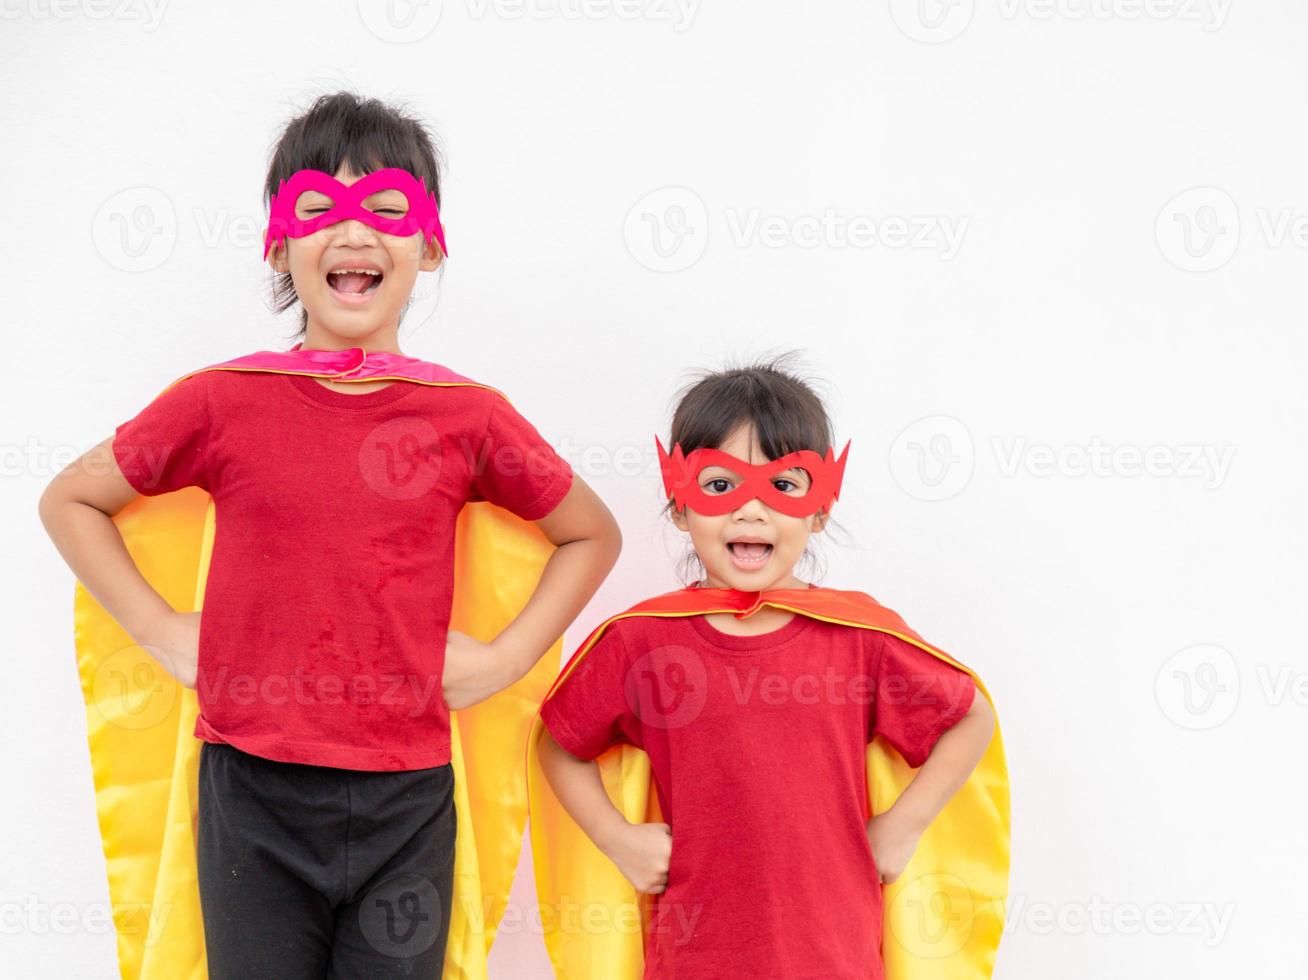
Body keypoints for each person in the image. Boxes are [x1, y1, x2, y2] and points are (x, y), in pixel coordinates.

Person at [38, 91, 622, 979]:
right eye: (319, 210)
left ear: (429, 245)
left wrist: (504, 661)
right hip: (249, 794)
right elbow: (69, 501)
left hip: (408, 801)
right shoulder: (220, 399)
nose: (353, 235)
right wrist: (161, 633)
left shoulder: (469, 416)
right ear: (279, 242)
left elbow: (591, 535)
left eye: (387, 211)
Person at [526, 355, 1010, 979]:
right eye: (719, 485)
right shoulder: (640, 642)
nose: (750, 511)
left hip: (834, 954)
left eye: (783, 486)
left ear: (820, 510)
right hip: (693, 957)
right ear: (679, 504)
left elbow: (968, 717)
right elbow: (559, 741)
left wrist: (904, 827)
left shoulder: (859, 638)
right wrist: (617, 838)